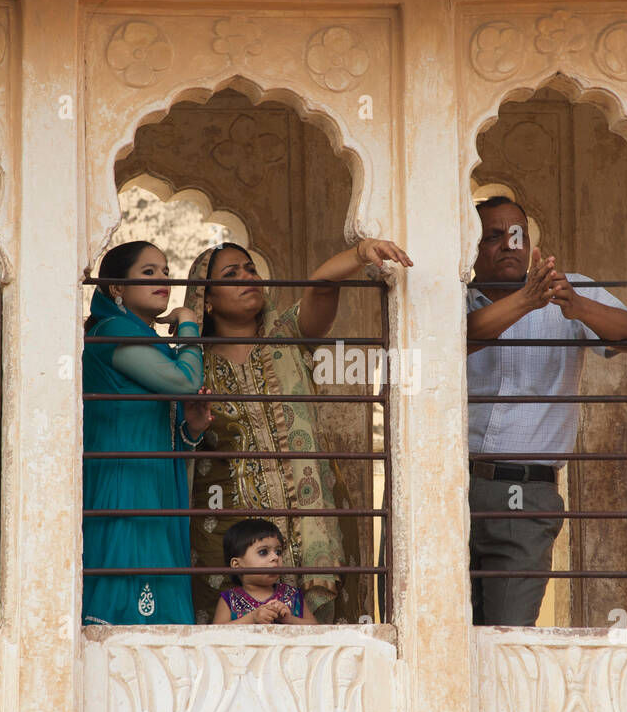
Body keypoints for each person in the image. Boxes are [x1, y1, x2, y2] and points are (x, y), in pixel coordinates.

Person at [184, 238, 411, 625]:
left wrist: (360, 254)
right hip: (228, 524)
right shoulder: (191, 363)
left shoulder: (288, 331)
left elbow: (322, 285)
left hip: (312, 514)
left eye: (250, 268)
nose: (247, 277)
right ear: (206, 298)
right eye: (231, 274)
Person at [466, 197, 627, 627]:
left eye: (517, 236)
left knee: (507, 636)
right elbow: (455, 339)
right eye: (493, 237)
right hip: (449, 487)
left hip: (524, 497)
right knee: (442, 636)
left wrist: (575, 305)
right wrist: (526, 301)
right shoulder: (453, 300)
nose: (508, 246)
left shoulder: (570, 289)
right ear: (469, 247)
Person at [82, 240, 213, 625]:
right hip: (127, 484)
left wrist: (191, 429)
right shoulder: (113, 331)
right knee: (130, 596)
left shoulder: (144, 340)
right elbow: (185, 381)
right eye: (149, 272)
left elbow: (155, 417)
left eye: (165, 270)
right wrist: (189, 322)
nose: (163, 279)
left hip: (152, 480)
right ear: (116, 288)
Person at [212, 518, 318, 624]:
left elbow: (317, 629)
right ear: (237, 565)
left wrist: (289, 620)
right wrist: (252, 618)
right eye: (263, 552)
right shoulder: (230, 599)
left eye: (278, 551)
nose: (275, 557)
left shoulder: (293, 594)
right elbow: (216, 633)